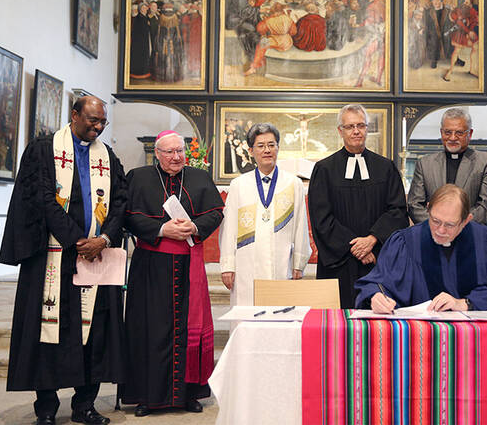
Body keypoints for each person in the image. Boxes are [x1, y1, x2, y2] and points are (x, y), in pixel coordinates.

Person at [0, 97, 127, 425]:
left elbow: (120, 202)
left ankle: (85, 405)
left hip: (96, 259)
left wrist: (104, 239)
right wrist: (77, 240)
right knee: (49, 333)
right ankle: (46, 409)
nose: (98, 127)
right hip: (52, 259)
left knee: (93, 333)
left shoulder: (107, 157)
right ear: (74, 115)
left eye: (103, 122)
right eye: (92, 120)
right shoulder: (43, 150)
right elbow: (41, 199)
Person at [122, 130, 224, 417]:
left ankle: (189, 394)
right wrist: (161, 229)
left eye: (180, 151)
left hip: (188, 265)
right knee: (150, 330)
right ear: (157, 153)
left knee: (188, 332)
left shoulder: (198, 177)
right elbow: (128, 215)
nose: (177, 157)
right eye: (170, 152)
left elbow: (215, 212)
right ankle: (147, 396)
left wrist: (194, 227)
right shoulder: (139, 177)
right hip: (151, 267)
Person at [355, 184, 487, 313]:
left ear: (466, 220)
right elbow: (379, 282)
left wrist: (464, 303)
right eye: (435, 220)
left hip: (475, 336)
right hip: (418, 335)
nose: (441, 230)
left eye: (450, 225)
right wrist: (376, 297)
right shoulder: (405, 243)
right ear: (428, 208)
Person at [308, 104, 408, 308]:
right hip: (340, 263)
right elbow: (321, 219)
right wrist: (357, 248)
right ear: (340, 131)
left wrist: (372, 240)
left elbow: (397, 211)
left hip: (377, 261)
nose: (356, 131)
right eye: (350, 126)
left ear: (367, 129)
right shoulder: (324, 169)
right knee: (338, 327)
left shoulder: (386, 167)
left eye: (361, 125)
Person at [219, 123, 311, 305]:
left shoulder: (293, 183)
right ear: (251, 151)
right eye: (260, 146)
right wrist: (228, 266)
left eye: (271, 145)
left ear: (278, 147)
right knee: (247, 314)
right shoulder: (239, 185)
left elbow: (301, 225)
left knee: (280, 315)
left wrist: (299, 263)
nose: (267, 150)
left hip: (282, 261)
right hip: (247, 262)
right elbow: (228, 228)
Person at [408, 107, 487, 225]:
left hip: (470, 235)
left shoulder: (486, 162)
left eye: (459, 133)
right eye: (448, 132)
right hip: (432, 236)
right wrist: (438, 227)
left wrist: (457, 226)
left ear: (469, 133)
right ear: (441, 133)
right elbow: (414, 205)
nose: (452, 138)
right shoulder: (425, 164)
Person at [443, 0, 478, 81]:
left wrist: (470, 31)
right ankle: (450, 71)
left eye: (467, 3)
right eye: (464, 2)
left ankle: (472, 70)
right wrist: (468, 31)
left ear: (470, 5)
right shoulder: (459, 9)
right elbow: (458, 22)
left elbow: (474, 21)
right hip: (460, 33)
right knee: (456, 51)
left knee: (476, 47)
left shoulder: (473, 11)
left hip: (468, 32)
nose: (464, 4)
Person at [424, 0, 453, 68]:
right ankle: (434, 60)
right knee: (434, 41)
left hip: (445, 30)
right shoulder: (429, 12)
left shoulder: (447, 11)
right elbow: (427, 23)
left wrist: (448, 30)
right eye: (435, 3)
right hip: (433, 32)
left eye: (438, 3)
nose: (436, 4)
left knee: (449, 41)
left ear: (442, 2)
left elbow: (451, 22)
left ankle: (453, 57)